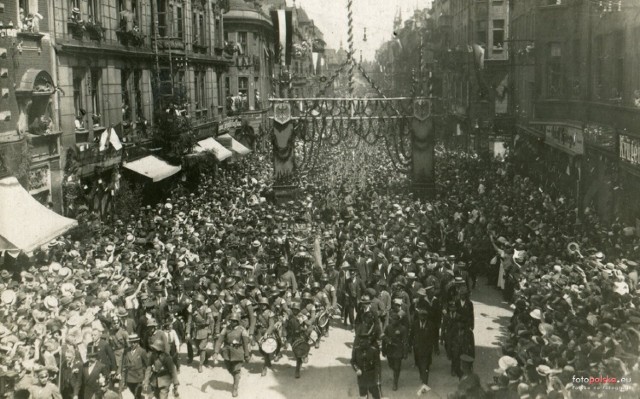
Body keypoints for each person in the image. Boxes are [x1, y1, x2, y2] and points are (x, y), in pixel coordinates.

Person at [213, 312, 251, 398]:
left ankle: (235, 387)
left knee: (236, 370)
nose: (232, 322)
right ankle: (236, 377)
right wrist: (216, 352)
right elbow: (219, 341)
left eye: (234, 321)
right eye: (231, 321)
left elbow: (245, 344)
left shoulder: (242, 330)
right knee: (230, 369)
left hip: (238, 352)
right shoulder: (226, 329)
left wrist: (247, 355)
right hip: (227, 352)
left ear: (238, 321)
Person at [410, 306, 437, 394]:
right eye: (421, 315)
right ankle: (422, 376)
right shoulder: (414, 324)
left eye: (424, 315)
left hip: (427, 348)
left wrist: (436, 348)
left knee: (425, 366)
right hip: (417, 348)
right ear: (418, 316)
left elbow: (434, 338)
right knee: (419, 364)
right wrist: (409, 346)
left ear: (427, 316)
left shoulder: (431, 325)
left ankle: (425, 384)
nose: (422, 317)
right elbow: (411, 335)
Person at [351, 330, 382, 399]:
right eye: (361, 341)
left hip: (372, 377)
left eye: (365, 341)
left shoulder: (374, 351)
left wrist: (378, 379)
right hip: (361, 377)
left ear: (368, 341)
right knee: (363, 396)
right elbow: (353, 361)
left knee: (376, 396)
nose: (362, 343)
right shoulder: (356, 350)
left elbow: (377, 365)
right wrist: (357, 369)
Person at [122, 334, 148, 399]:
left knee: (137, 394)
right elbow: (124, 365)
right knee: (133, 393)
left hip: (138, 377)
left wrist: (145, 378)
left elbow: (147, 365)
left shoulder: (142, 351)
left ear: (137, 342)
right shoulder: (126, 351)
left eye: (134, 342)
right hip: (129, 377)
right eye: (131, 342)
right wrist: (123, 379)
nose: (132, 344)